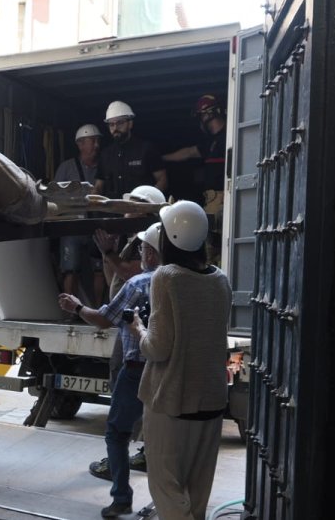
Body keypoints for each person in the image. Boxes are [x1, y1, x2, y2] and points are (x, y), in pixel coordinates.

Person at [128, 201, 232, 520]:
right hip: (212, 402)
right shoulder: (220, 279)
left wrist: (138, 328)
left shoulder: (167, 277)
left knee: (166, 489)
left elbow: (158, 348)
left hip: (172, 402)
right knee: (197, 493)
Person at [58, 222, 163, 518]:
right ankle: (166, 501)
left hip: (136, 371)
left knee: (117, 433)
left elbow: (104, 319)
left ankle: (121, 498)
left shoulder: (138, 284)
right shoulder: (181, 281)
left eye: (143, 248)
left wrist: (77, 307)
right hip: (168, 371)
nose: (140, 252)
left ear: (152, 254)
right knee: (162, 437)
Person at [54, 124, 107, 303]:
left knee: (100, 269)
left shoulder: (104, 167)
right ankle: (70, 311)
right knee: (70, 269)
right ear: (80, 144)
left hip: (96, 225)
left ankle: (99, 309)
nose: (97, 145)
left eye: (98, 141)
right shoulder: (67, 168)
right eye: (93, 141)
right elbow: (54, 195)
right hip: (72, 226)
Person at [163, 94, 227, 215]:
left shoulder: (228, 138)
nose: (200, 120)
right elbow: (189, 152)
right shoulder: (211, 142)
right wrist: (162, 158)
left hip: (221, 197)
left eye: (200, 115)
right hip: (212, 197)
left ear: (208, 114)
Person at [95, 101, 168, 198]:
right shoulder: (105, 154)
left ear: (130, 124)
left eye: (120, 123)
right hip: (112, 212)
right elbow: (99, 185)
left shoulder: (146, 149)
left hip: (142, 211)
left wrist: (149, 201)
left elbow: (162, 179)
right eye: (111, 124)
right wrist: (93, 195)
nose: (115, 128)